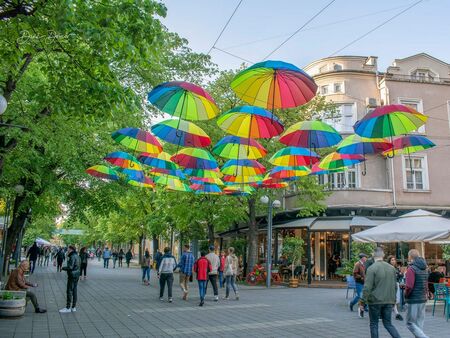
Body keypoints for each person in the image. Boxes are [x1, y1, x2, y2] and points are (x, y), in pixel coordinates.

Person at [361, 248, 401, 338]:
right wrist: (394, 300)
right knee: (388, 324)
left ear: (373, 255)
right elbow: (394, 286)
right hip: (389, 300)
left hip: (375, 300)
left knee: (374, 324)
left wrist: (362, 302)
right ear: (383, 256)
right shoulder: (391, 268)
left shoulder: (372, 268)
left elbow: (367, 287)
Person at [404, 249, 429, 338]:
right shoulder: (425, 268)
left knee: (410, 323)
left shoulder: (411, 269)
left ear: (410, 257)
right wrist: (426, 293)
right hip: (422, 298)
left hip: (413, 299)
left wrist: (405, 294)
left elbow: (409, 286)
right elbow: (426, 283)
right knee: (419, 322)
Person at [59, 245, 81, 313]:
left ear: (71, 249)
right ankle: (73, 307)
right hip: (77, 275)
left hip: (72, 275)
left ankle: (68, 307)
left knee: (69, 291)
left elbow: (70, 267)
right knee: (74, 291)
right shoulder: (78, 256)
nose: (67, 250)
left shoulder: (72, 256)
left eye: (68, 249)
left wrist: (63, 268)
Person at [387, 255, 404, 321]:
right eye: (392, 260)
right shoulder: (388, 268)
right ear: (389, 261)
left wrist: (400, 274)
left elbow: (399, 276)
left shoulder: (396, 268)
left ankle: (396, 313)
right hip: (390, 285)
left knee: (395, 299)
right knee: (391, 299)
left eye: (394, 260)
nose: (394, 261)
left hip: (396, 284)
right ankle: (396, 313)